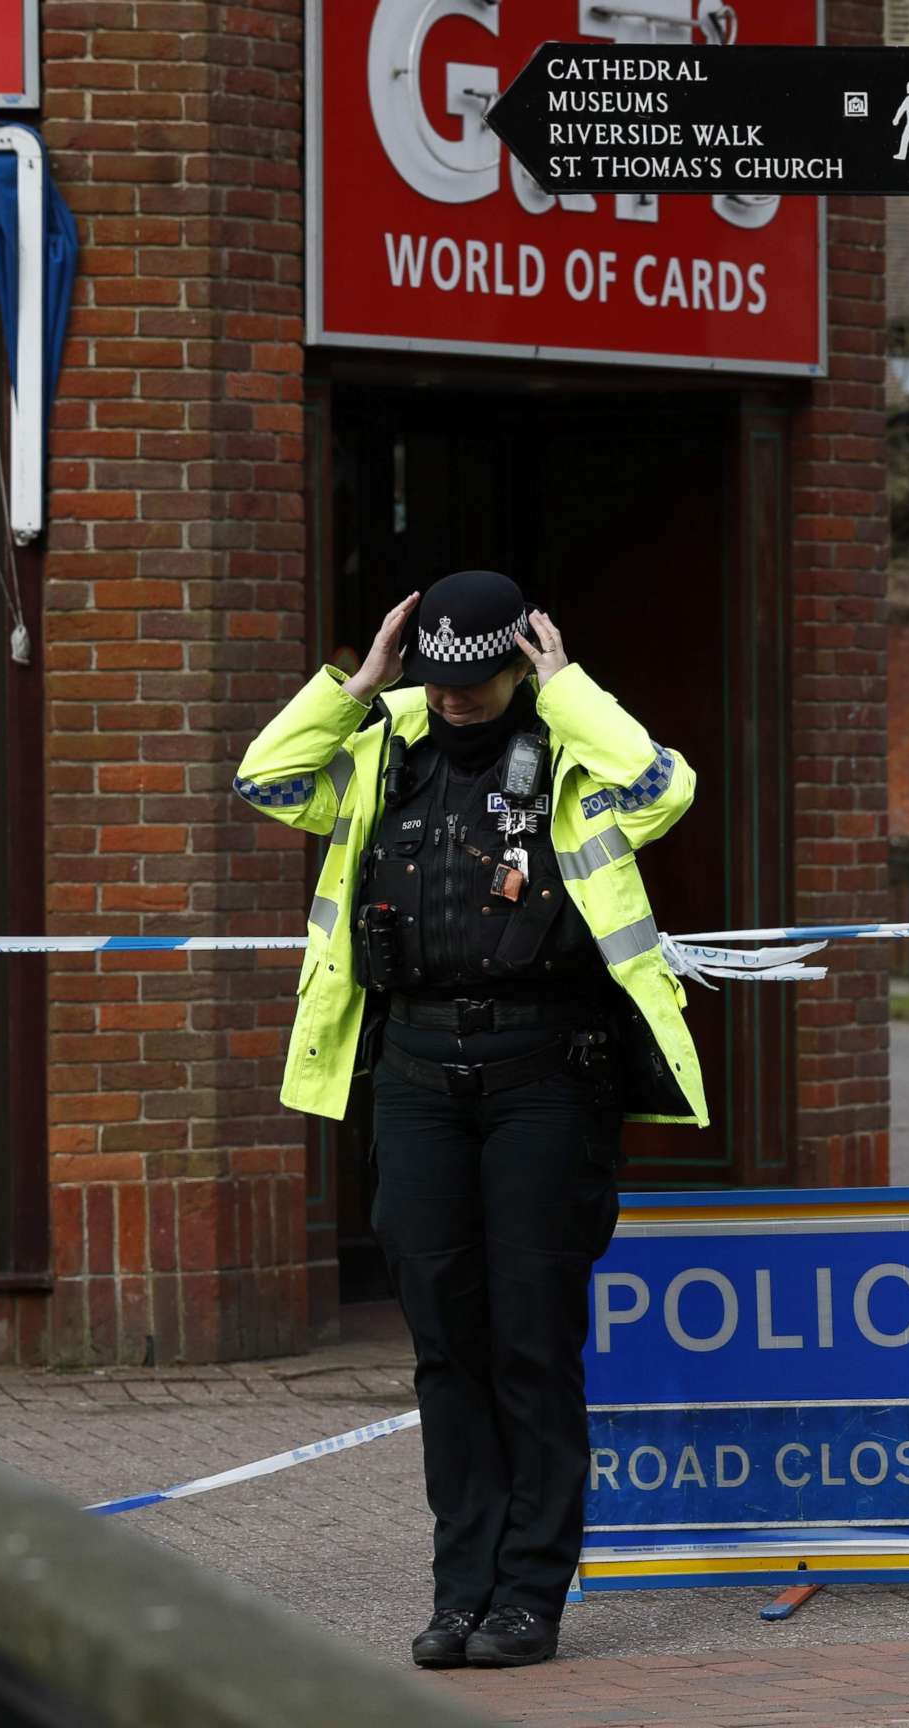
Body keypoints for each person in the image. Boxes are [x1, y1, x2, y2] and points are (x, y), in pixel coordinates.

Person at [235, 568, 706, 1669]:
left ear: (517, 660)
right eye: (437, 680)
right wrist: (358, 684)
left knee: (530, 1340)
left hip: (544, 1071)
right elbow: (264, 779)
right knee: (445, 1342)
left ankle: (529, 1595)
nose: (453, 701)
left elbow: (662, 788)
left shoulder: (572, 744)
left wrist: (568, 682)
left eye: (477, 681)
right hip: (412, 1069)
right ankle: (461, 1592)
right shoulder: (380, 736)